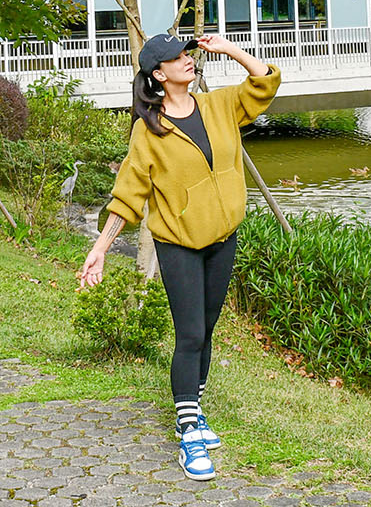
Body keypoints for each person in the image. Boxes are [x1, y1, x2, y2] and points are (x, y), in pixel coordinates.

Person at [79, 31, 280, 482]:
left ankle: (195, 410)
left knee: (206, 330)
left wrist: (229, 49)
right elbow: (128, 196)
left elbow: (266, 82)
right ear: (158, 73)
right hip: (178, 245)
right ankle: (188, 429)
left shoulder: (219, 106)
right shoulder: (149, 129)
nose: (187, 60)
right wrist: (99, 250)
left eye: (187, 53)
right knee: (189, 334)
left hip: (222, 239)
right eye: (176, 57)